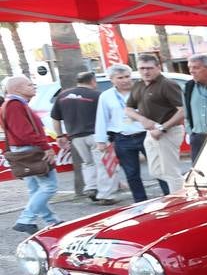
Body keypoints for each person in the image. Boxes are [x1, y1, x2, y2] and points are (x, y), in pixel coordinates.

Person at [3, 75, 59, 233]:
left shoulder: (13, 104)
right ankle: (26, 219)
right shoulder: (15, 105)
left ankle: (51, 221)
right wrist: (45, 147)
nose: (34, 86)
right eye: (29, 84)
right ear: (18, 89)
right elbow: (24, 133)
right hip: (30, 150)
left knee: (36, 189)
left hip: (23, 151)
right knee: (49, 186)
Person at [125, 54, 185, 195]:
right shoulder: (139, 84)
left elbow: (183, 111)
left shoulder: (167, 84)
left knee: (171, 173)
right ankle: (183, 189)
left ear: (158, 67)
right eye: (142, 68)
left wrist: (162, 128)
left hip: (168, 131)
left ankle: (180, 202)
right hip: (150, 132)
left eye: (149, 68)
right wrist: (142, 120)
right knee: (156, 171)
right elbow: (128, 109)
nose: (146, 71)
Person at [95, 63, 146, 202]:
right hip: (122, 138)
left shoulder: (142, 89)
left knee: (158, 168)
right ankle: (141, 202)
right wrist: (101, 140)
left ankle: (169, 197)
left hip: (145, 134)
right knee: (131, 173)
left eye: (127, 76)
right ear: (112, 79)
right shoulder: (106, 96)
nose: (125, 80)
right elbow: (102, 118)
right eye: (120, 77)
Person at [50, 71, 102, 199]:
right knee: (101, 163)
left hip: (75, 137)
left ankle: (91, 187)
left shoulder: (62, 96)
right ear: (93, 81)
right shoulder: (97, 95)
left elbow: (55, 118)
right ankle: (104, 191)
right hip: (95, 134)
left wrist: (60, 135)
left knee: (87, 162)